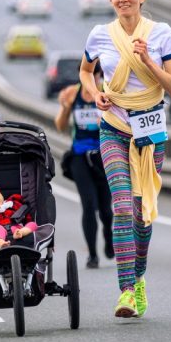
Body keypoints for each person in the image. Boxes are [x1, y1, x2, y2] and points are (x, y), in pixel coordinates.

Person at [79, 0, 171, 319]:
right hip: (113, 127)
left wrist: (148, 60)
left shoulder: (161, 33)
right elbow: (85, 71)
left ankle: (139, 278)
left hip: (150, 131)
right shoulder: (100, 34)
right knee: (122, 206)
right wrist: (96, 94)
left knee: (142, 212)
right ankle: (125, 291)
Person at [54, 65, 113, 269]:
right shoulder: (72, 93)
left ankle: (109, 236)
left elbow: (123, 124)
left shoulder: (108, 92)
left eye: (93, 76)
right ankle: (93, 255)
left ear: (100, 76)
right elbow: (60, 126)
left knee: (105, 209)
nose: (89, 80)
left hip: (104, 155)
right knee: (88, 204)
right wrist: (65, 108)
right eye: (84, 75)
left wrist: (106, 121)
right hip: (79, 155)